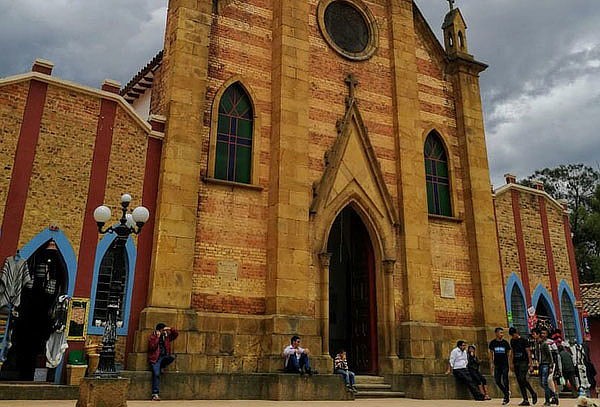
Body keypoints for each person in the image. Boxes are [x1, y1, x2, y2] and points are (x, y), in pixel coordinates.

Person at [148, 323, 178, 401]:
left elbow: (175, 334)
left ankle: (162, 366)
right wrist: (157, 338)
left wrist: (170, 328)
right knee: (156, 374)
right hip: (156, 359)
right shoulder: (153, 337)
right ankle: (155, 394)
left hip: (164, 357)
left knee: (172, 357)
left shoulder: (166, 337)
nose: (164, 331)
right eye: (162, 330)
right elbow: (152, 347)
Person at [509, 327, 537, 406]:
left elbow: (528, 352)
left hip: (523, 362)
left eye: (513, 335)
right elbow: (512, 352)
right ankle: (525, 399)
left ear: (516, 333)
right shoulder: (512, 341)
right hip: (516, 362)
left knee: (522, 378)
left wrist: (530, 363)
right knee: (520, 381)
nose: (513, 337)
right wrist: (511, 363)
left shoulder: (524, 340)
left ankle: (533, 393)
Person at [533, 327, 558, 406]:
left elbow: (550, 355)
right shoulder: (537, 344)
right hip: (540, 364)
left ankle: (548, 401)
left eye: (534, 334)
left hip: (546, 364)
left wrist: (551, 366)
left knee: (545, 383)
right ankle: (553, 395)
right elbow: (537, 354)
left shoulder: (544, 344)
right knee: (541, 383)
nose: (533, 336)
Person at [489, 327, 512, 405]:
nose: (501, 334)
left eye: (502, 333)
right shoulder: (493, 343)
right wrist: (492, 363)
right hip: (497, 364)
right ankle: (506, 392)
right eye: (500, 333)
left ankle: (506, 397)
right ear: (496, 333)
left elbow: (509, 352)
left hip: (504, 364)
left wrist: (509, 362)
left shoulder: (505, 343)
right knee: (497, 380)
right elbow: (491, 353)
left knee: (505, 380)